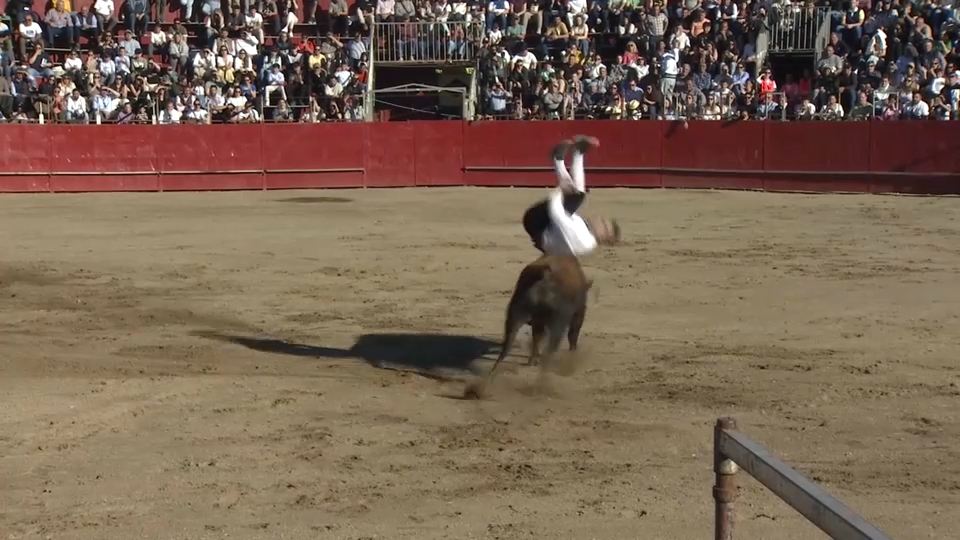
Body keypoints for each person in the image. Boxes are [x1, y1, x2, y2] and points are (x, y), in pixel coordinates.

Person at [521, 135, 620, 257]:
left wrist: (559, 191)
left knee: (577, 198)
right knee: (577, 196)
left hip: (537, 224)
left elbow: (557, 213)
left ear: (605, 238)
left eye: (604, 225)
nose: (600, 220)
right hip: (546, 225)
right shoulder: (587, 234)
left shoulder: (584, 241)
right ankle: (575, 154)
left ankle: (567, 157)